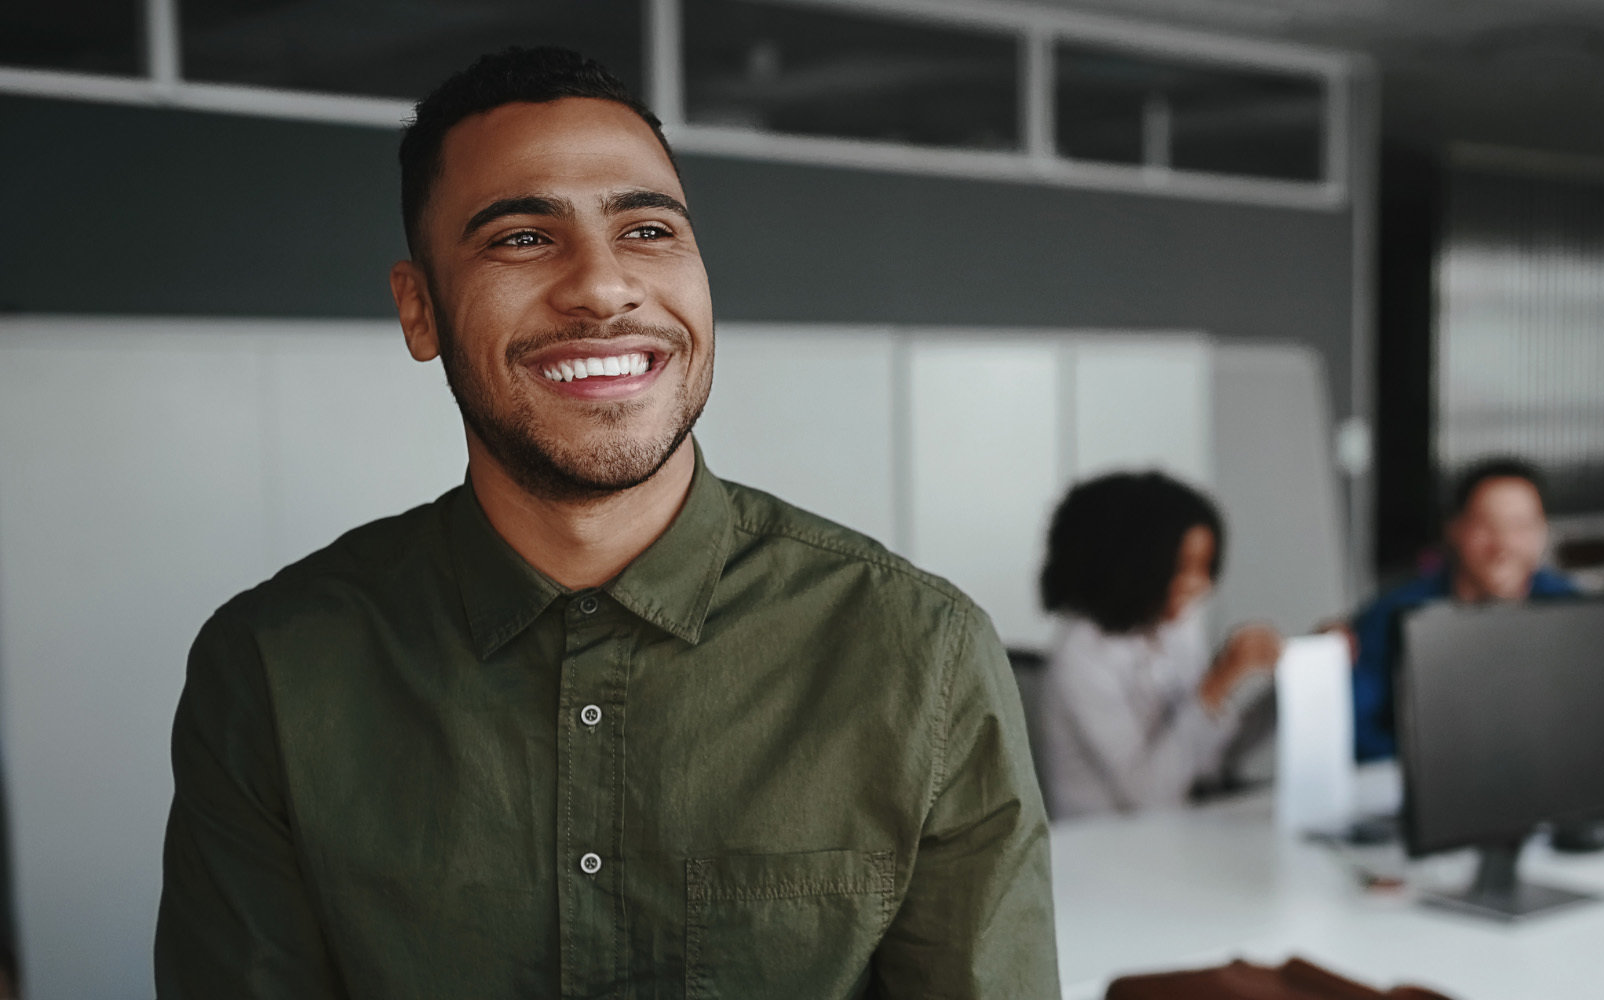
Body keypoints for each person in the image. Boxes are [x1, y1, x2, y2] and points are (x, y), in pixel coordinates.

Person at [155, 47, 1056, 998]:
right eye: (521, 238)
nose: (602, 285)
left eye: (649, 229)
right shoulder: (273, 668)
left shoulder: (921, 653)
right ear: (420, 312)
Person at [1036, 472, 1283, 820]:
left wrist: (1292, 688)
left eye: (1205, 568)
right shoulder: (1080, 657)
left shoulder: (1174, 628)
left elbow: (1211, 759)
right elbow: (1151, 796)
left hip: (1175, 835)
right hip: (1104, 852)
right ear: (1135, 565)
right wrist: (1217, 683)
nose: (1200, 586)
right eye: (1183, 568)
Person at [1344, 458, 1578, 762]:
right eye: (1486, 525)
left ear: (1543, 533)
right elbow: (1357, 728)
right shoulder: (1395, 612)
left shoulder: (1569, 605)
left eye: (1521, 526)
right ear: (1455, 529)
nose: (1503, 545)